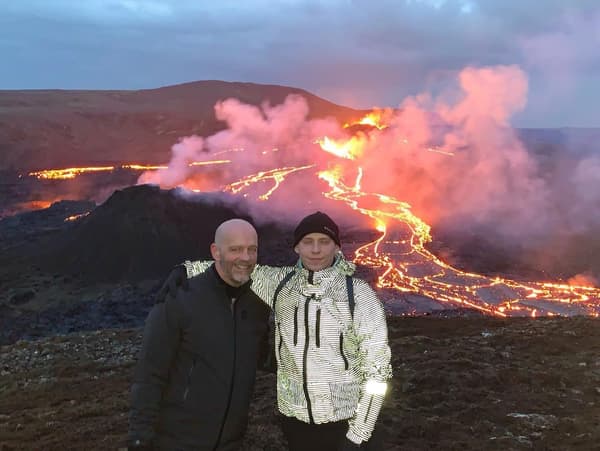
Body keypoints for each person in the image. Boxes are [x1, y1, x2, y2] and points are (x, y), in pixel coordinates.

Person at [165, 212, 392, 450]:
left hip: (344, 422)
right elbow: (236, 268)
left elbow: (378, 372)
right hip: (295, 420)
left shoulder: (358, 295)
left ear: (336, 246)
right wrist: (186, 269)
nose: (316, 250)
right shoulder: (281, 284)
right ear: (296, 247)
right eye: (307, 242)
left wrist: (358, 434)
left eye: (324, 242)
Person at [128, 219, 270, 450]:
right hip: (178, 442)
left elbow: (267, 357)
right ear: (215, 251)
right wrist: (139, 439)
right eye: (235, 249)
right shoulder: (180, 299)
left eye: (251, 250)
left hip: (231, 443)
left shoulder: (257, 306)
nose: (245, 257)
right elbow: (149, 375)